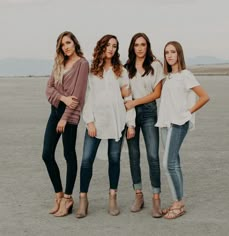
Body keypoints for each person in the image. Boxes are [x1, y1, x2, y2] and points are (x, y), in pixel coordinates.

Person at [76, 34, 135, 218]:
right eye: (108, 45)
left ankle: (112, 198)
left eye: (114, 46)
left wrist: (130, 124)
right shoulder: (92, 70)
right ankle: (83, 200)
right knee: (86, 160)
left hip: (116, 122)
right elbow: (88, 97)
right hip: (96, 122)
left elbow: (128, 98)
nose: (111, 49)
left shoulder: (121, 71)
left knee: (114, 159)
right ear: (101, 47)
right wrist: (90, 121)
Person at [156, 41, 210, 219]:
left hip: (178, 123)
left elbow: (204, 97)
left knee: (168, 163)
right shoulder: (168, 77)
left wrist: (187, 113)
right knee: (174, 162)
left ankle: (178, 204)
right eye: (166, 53)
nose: (169, 55)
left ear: (179, 54)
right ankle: (177, 201)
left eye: (173, 52)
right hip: (164, 123)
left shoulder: (186, 75)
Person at [42, 31, 89, 217]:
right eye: (62, 45)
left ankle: (68, 198)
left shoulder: (83, 64)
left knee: (69, 154)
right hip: (55, 111)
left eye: (68, 43)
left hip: (69, 116)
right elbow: (48, 88)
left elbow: (77, 96)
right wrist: (61, 97)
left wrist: (64, 117)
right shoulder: (59, 63)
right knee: (47, 154)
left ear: (75, 43)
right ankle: (59, 195)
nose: (66, 47)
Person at [124, 33, 164, 218]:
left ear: (147, 47)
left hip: (149, 112)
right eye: (136, 45)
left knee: (153, 155)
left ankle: (156, 199)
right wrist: (130, 107)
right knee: (134, 156)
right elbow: (124, 94)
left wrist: (135, 102)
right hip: (131, 115)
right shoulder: (126, 68)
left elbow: (157, 94)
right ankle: (138, 196)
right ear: (132, 47)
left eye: (143, 45)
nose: (140, 48)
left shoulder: (155, 65)